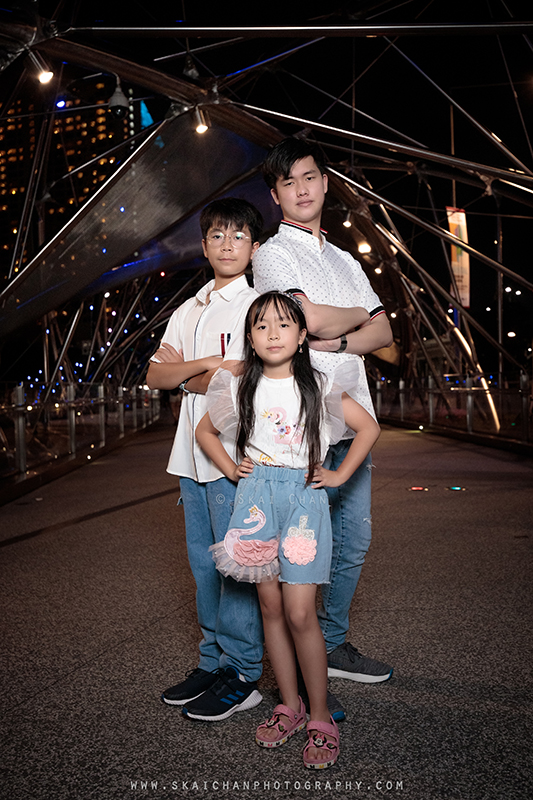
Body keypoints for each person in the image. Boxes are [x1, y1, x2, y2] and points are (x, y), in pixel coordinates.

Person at [195, 292, 380, 768]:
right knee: (270, 607)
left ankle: (321, 715)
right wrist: (233, 470)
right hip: (255, 502)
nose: (272, 333)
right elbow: (204, 433)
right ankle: (290, 706)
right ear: (251, 340)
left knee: (301, 613)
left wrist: (338, 475)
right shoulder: (239, 387)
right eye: (261, 326)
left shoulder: (319, 383)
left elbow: (368, 428)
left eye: (283, 324)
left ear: (302, 337)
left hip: (302, 501)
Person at [252, 138, 394, 694]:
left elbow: (384, 335)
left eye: (309, 177)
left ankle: (331, 642)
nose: (302, 189)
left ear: (326, 182)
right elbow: (304, 318)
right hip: (300, 420)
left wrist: (339, 339)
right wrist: (359, 314)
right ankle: (303, 642)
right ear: (276, 195)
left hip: (350, 411)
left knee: (353, 539)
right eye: (289, 182)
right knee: (302, 544)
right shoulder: (272, 254)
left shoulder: (347, 259)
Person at [146, 198, 264, 721]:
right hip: (187, 459)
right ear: (204, 244)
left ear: (254, 247)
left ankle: (243, 672)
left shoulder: (259, 305)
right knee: (203, 567)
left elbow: (242, 376)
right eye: (217, 235)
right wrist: (210, 364)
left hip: (231, 457)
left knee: (236, 567)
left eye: (238, 236)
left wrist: (192, 374)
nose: (227, 244)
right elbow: (154, 376)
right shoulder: (187, 307)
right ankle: (212, 659)